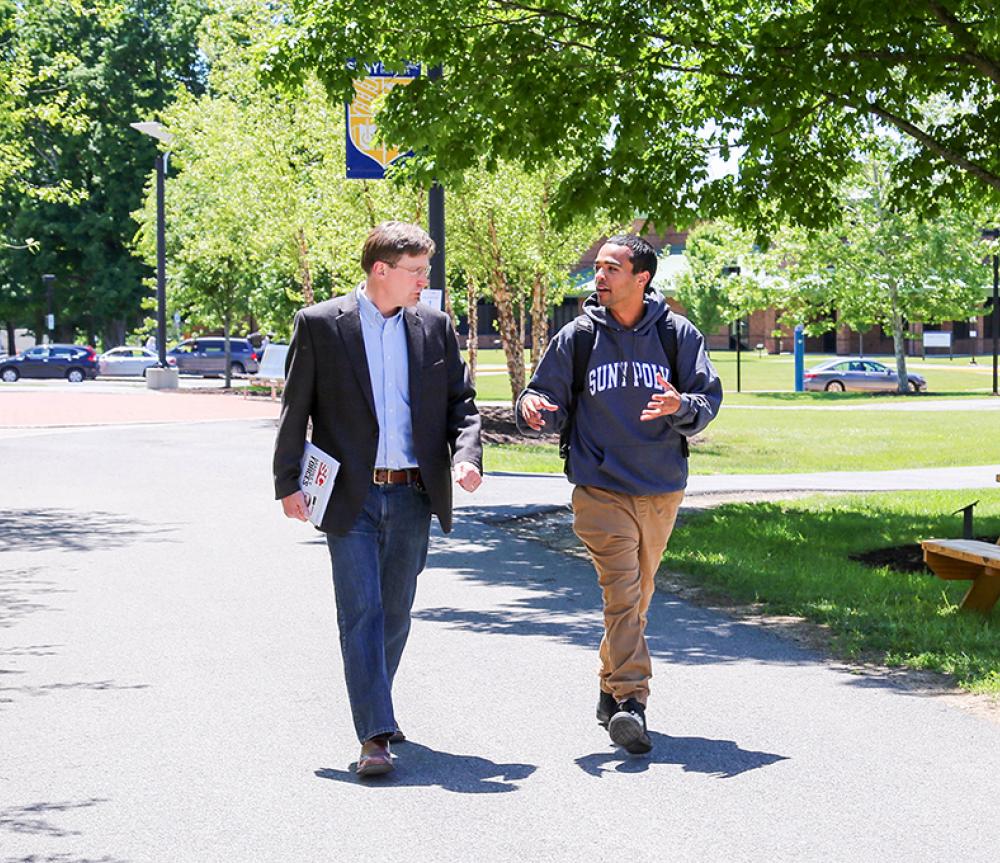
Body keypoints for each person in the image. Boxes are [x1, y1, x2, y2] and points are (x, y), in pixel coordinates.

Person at [273, 221, 483, 776]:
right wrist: (287, 480)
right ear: (381, 271)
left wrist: (467, 455)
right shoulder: (321, 324)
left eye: (426, 271)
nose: (425, 281)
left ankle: (376, 704)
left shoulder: (434, 326)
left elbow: (462, 403)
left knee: (395, 613)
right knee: (360, 611)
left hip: (414, 492)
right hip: (350, 495)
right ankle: (373, 736)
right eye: (416, 271)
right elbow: (296, 407)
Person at [516, 234, 722, 754]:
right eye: (598, 267)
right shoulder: (578, 336)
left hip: (659, 487)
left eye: (611, 268)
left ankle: (610, 688)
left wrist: (680, 405)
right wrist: (533, 407)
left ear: (641, 278)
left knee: (639, 598)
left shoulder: (677, 335)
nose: (598, 277)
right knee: (623, 593)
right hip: (599, 485)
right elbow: (544, 393)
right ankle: (633, 701)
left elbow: (706, 400)